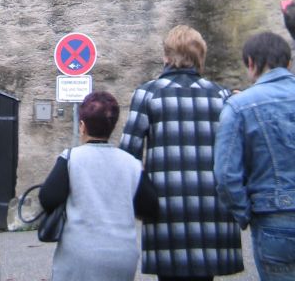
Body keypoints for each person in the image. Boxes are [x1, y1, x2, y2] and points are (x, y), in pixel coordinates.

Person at [120, 25, 243, 281]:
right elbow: (234, 154)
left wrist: (136, 202)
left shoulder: (148, 94)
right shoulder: (221, 96)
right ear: (200, 56)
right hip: (212, 209)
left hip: (165, 209)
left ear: (166, 56)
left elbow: (128, 156)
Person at [39, 90, 159, 281]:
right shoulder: (131, 164)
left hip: (79, 254)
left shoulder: (71, 159)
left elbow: (47, 198)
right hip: (122, 256)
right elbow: (151, 207)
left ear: (82, 126)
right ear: (113, 126)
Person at [214, 30, 295, 281]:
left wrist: (245, 213)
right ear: (289, 63)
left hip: (273, 220)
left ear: (251, 63)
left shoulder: (239, 106)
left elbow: (225, 175)